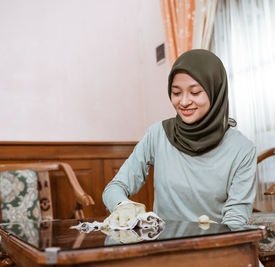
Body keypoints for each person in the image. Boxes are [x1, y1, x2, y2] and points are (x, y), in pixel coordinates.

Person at [102, 49, 257, 228]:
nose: (183, 102)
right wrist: (123, 206)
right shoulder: (158, 134)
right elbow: (114, 188)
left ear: (215, 91)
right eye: (176, 93)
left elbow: (235, 221)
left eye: (195, 92)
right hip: (165, 245)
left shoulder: (242, 149)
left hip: (215, 247)